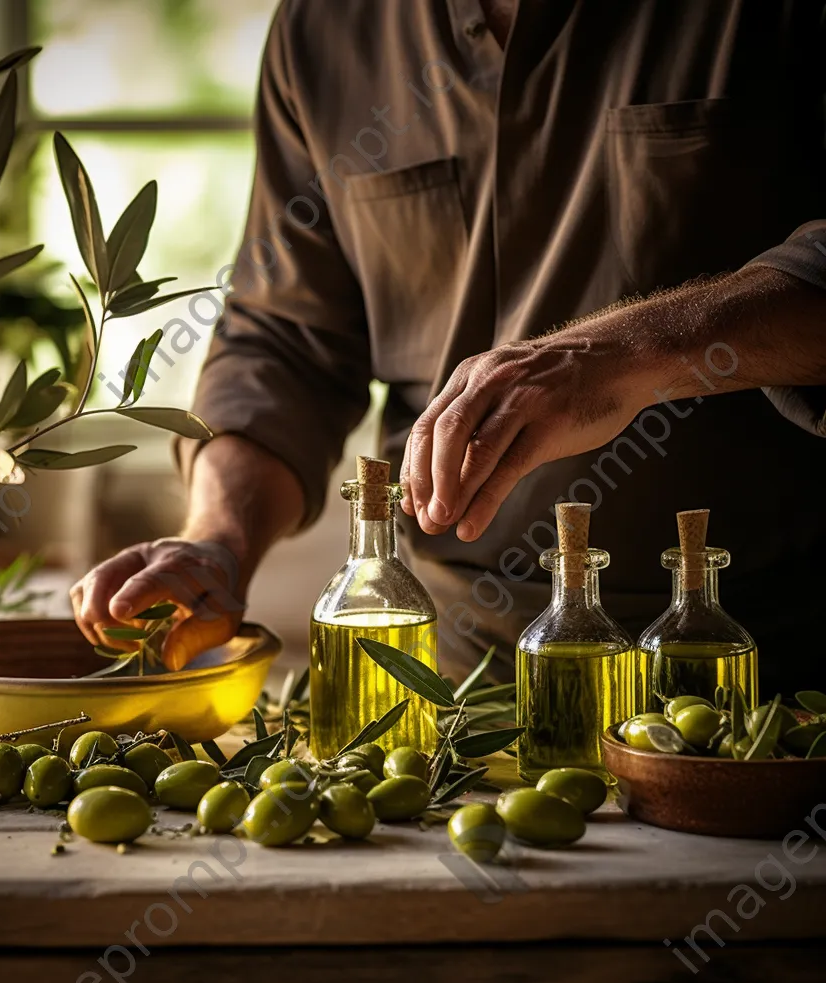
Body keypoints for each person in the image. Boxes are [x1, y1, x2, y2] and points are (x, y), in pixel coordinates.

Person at [72, 0, 826, 695]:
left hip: (768, 670)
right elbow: (288, 341)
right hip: (455, 679)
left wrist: (634, 350)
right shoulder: (324, 29)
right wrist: (217, 542)